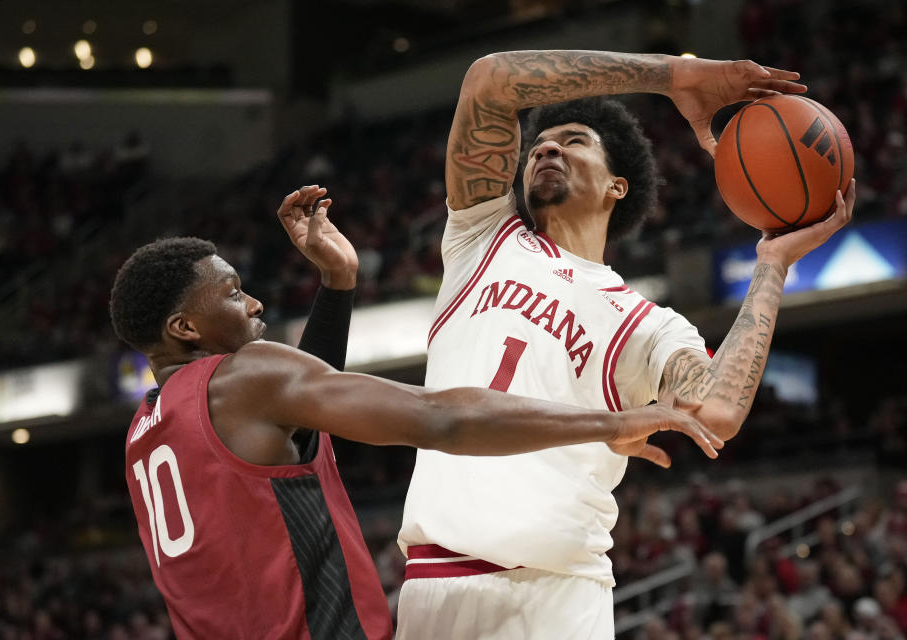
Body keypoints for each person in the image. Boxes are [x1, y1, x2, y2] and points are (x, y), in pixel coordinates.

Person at [109, 186, 723, 639]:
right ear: (184, 327)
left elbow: (295, 415)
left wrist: (338, 284)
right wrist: (617, 422)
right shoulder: (243, 378)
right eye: (233, 291)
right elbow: (441, 419)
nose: (254, 301)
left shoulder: (147, 430)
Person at [396, 50, 856, 638]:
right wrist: (675, 77)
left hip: (559, 594)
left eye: (576, 140)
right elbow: (490, 79)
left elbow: (718, 409)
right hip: (433, 587)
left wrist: (771, 264)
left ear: (618, 185)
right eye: (541, 142)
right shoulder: (481, 235)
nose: (546, 147)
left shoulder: (646, 322)